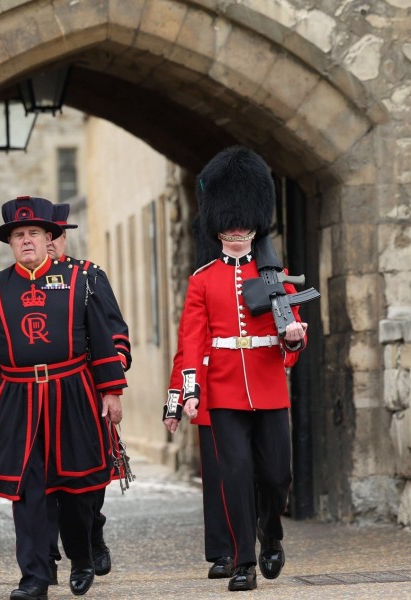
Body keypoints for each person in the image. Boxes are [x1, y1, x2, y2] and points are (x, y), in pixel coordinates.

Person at [0, 195, 127, 600]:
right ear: (11, 242)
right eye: (18, 235)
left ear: (49, 236)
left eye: (34, 232)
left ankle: (82, 555)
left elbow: (103, 337)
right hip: (18, 398)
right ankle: (34, 577)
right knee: (28, 491)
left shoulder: (79, 280)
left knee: (76, 490)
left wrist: (110, 391)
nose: (27, 241)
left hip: (72, 393)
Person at [175, 147, 308, 592]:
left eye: (242, 218)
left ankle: (271, 532)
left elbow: (292, 337)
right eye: (229, 219)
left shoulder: (275, 273)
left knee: (276, 476)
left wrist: (293, 340)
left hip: (268, 388)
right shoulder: (203, 279)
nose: (236, 226)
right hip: (224, 391)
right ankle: (243, 562)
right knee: (233, 476)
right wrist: (190, 392)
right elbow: (192, 340)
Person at [44, 203, 132, 582]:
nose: (49, 243)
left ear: (64, 237)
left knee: (89, 479)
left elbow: (113, 331)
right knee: (41, 479)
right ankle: (44, 553)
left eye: (55, 235)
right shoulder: (13, 283)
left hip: (85, 390)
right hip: (39, 395)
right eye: (41, 236)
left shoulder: (88, 276)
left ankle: (93, 534)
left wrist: (110, 379)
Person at [163, 216, 236, 580]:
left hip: (240, 385)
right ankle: (223, 550)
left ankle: (248, 540)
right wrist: (176, 398)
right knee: (217, 477)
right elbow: (187, 349)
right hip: (206, 392)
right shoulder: (203, 284)